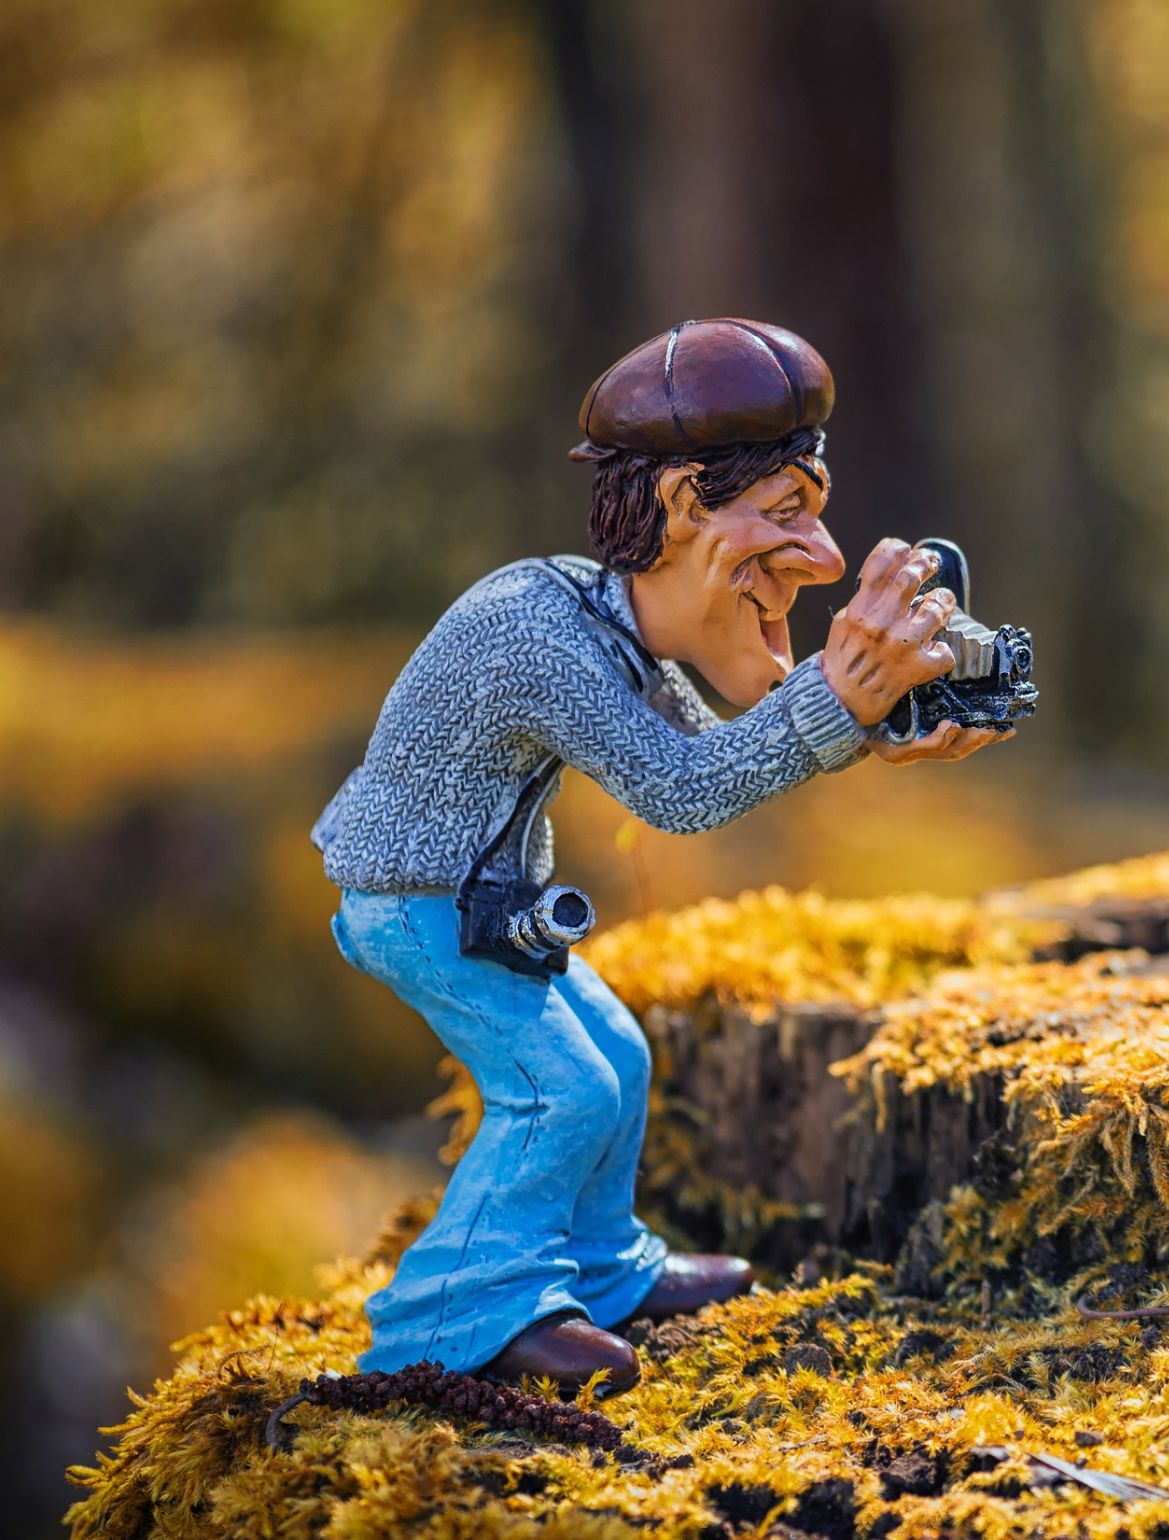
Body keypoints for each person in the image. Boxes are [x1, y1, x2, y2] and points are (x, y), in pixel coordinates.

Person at [311, 319, 1007, 1394]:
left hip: (479, 899)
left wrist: (879, 723)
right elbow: (681, 792)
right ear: (685, 507)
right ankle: (457, 1314)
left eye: (815, 515)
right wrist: (834, 698)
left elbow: (713, 742)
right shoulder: (545, 638)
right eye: (785, 515)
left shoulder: (598, 619)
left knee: (619, 1057)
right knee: (561, 1091)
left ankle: (593, 1268)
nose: (821, 559)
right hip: (418, 905)